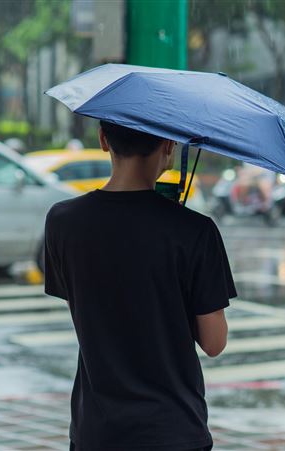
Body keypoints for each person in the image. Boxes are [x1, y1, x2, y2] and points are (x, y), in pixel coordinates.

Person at [44, 120, 235, 451]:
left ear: (103, 139)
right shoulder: (195, 231)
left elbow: (89, 305)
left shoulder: (63, 221)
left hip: (96, 432)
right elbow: (214, 342)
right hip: (172, 430)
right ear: (167, 144)